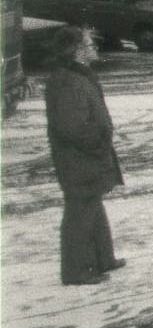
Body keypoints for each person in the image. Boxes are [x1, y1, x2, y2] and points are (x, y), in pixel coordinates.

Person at [44, 27, 124, 285]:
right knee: (80, 211)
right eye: (90, 45)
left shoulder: (78, 75)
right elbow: (71, 127)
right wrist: (99, 144)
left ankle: (103, 259)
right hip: (79, 157)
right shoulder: (69, 81)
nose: (95, 49)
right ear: (77, 51)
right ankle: (76, 271)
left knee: (92, 204)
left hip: (85, 156)